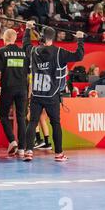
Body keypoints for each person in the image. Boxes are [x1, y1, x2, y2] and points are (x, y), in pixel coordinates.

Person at [23, 22, 85, 162]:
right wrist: (80, 39)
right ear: (53, 38)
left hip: (37, 94)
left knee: (33, 122)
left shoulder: (34, 51)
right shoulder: (59, 52)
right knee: (55, 123)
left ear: (42, 37)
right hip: (52, 95)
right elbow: (79, 56)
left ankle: (28, 151)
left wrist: (27, 29)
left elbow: (26, 44)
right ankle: (58, 153)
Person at [0, 29, 29, 157]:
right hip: (22, 88)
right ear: (15, 38)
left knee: (3, 115)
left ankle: (12, 141)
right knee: (21, 117)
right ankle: (22, 148)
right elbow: (28, 72)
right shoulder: (24, 53)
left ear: (4, 38)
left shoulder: (1, 51)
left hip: (8, 87)